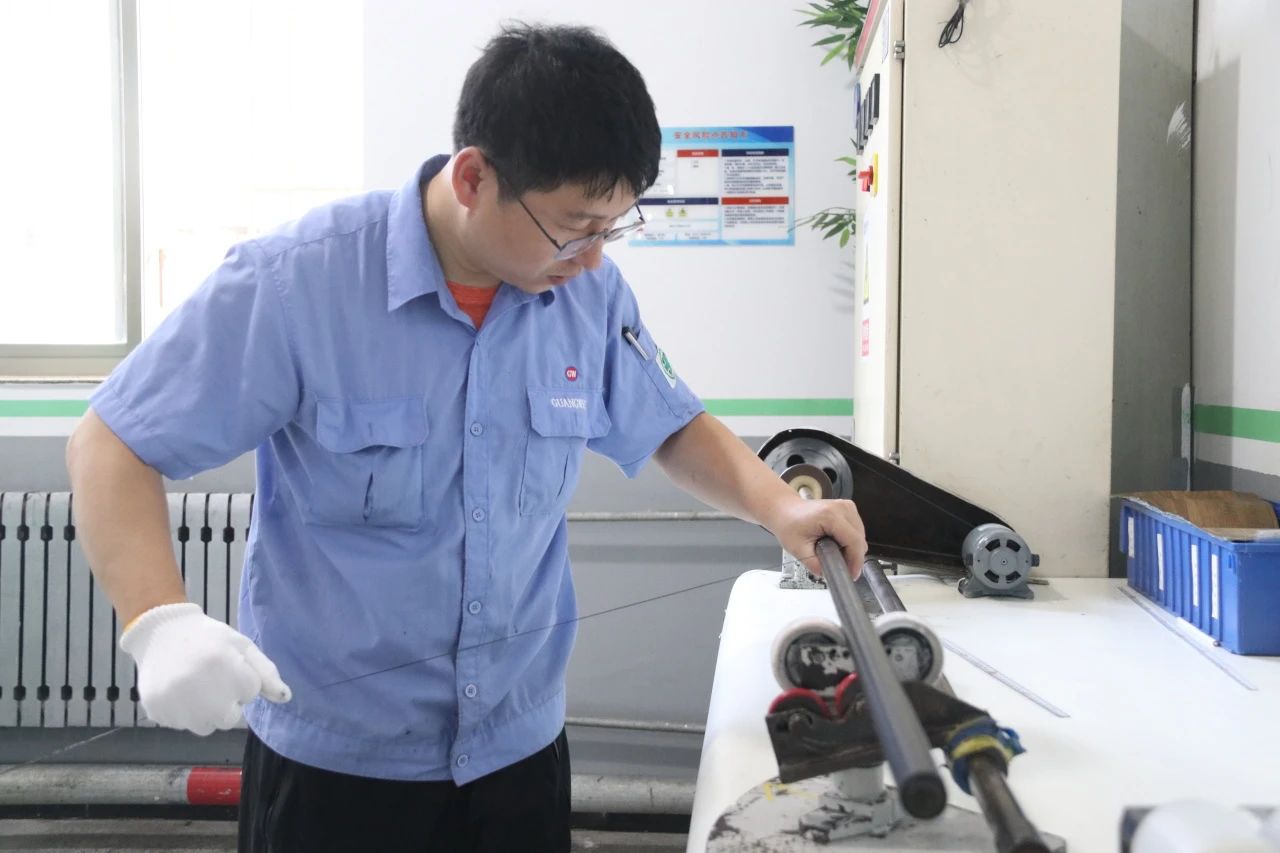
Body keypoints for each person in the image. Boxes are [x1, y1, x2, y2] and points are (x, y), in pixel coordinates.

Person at [65, 21, 866, 853]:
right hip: (338, 772)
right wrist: (158, 619)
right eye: (575, 225)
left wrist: (781, 508)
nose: (594, 257)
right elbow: (111, 442)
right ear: (475, 177)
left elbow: (670, 422)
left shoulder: (587, 297)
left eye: (612, 227)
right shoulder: (298, 283)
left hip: (517, 756)